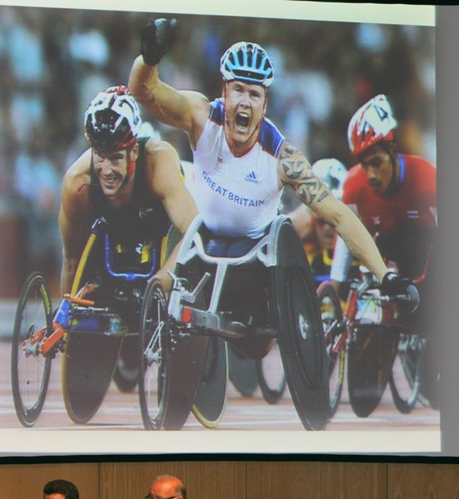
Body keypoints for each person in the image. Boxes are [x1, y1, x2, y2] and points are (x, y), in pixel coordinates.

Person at [128, 20, 416, 306]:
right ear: (224, 92)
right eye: (238, 90)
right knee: (161, 287)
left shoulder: (283, 159)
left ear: (264, 105)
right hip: (196, 234)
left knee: (257, 340)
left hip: (251, 253)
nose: (245, 102)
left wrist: (384, 277)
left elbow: (339, 215)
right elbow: (144, 92)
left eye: (254, 95)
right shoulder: (200, 116)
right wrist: (148, 59)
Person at [57, 84, 199, 297]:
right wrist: (66, 318)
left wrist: (160, 282)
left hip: (164, 225)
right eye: (100, 156)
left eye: (115, 158)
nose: (106, 170)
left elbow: (193, 232)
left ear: (133, 152)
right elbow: (72, 260)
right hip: (114, 228)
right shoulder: (77, 182)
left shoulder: (158, 163)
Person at [331, 94, 437, 303]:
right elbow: (345, 235)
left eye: (377, 163)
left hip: (428, 256)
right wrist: (337, 282)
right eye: (365, 164)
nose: (371, 175)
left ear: (393, 151)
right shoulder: (353, 185)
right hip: (385, 261)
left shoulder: (428, 178)